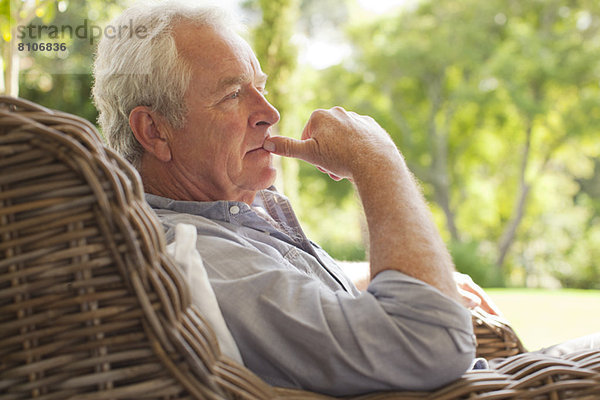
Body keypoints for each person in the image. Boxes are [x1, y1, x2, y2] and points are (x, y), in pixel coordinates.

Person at [92, 1, 494, 396]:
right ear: (155, 131)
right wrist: (376, 156)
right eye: (232, 94)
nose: (269, 112)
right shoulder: (191, 254)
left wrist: (371, 275)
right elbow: (430, 341)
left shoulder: (225, 223)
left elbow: (269, 281)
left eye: (260, 88)